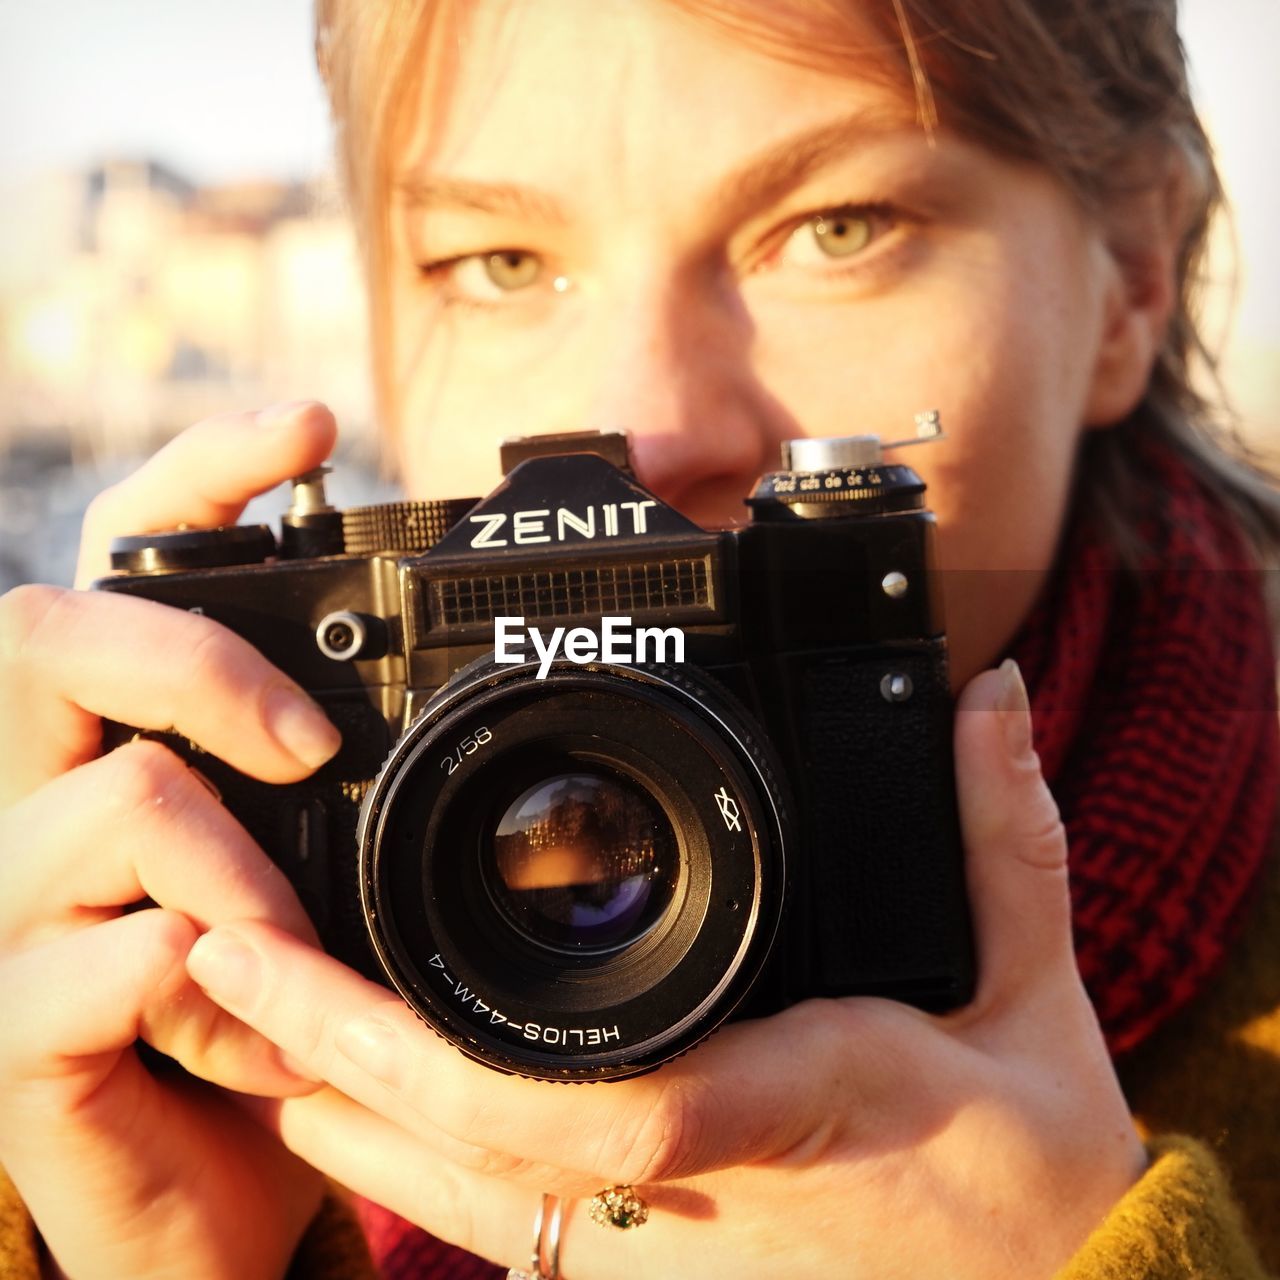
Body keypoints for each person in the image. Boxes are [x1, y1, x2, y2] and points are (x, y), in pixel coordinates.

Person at [1, 0, 1277, 1276]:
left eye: (836, 230)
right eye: (498, 261)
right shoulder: (212, 1054)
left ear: (1133, 278)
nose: (636, 425)